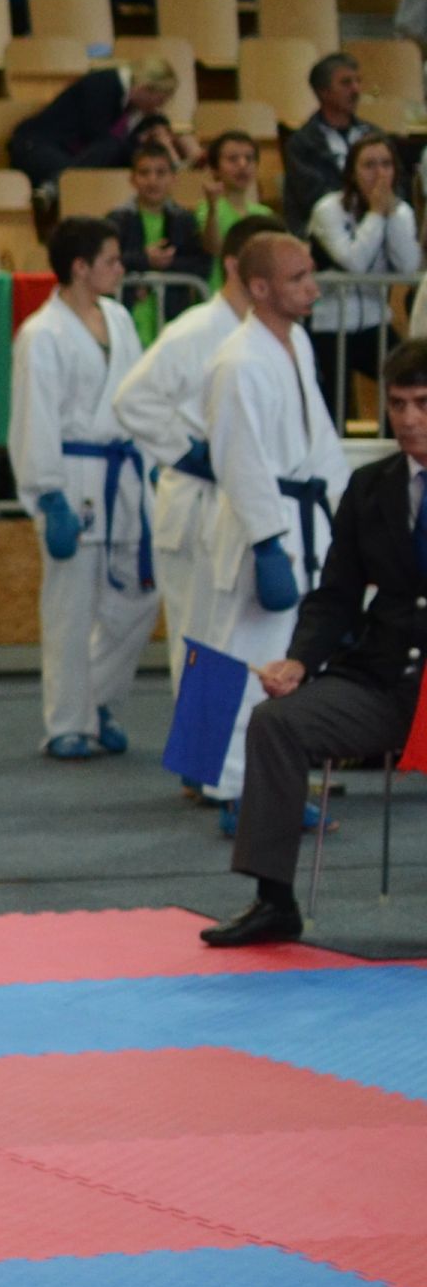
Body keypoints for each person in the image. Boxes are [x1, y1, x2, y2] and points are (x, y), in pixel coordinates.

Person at [201, 338, 427, 947]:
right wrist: (300, 659)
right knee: (276, 723)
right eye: (398, 404)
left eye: (423, 404)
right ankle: (273, 900)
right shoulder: (370, 488)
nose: (408, 418)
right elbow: (336, 596)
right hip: (383, 681)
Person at [199, 231, 340, 822]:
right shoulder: (236, 361)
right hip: (262, 528)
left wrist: (342, 510)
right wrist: (266, 543)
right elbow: (238, 459)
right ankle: (234, 790)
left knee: (288, 661)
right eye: (297, 278)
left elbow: (320, 438)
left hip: (301, 515)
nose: (312, 288)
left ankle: (273, 786)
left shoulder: (296, 342)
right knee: (245, 658)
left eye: (311, 274)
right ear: (258, 287)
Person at [15, 219, 159, 760]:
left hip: (123, 472)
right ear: (80, 267)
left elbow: (139, 396)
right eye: (111, 260)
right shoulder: (41, 334)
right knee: (70, 609)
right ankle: (67, 722)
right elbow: (34, 417)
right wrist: (47, 494)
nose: (120, 269)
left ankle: (97, 700)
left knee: (141, 595)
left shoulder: (118, 318)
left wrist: (155, 461)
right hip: (70, 476)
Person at [115, 232, 258, 709]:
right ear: (236, 267)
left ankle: (233, 749)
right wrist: (186, 451)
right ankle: (198, 752)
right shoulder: (195, 330)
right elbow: (132, 400)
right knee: (198, 641)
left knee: (236, 640)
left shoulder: (264, 334)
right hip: (195, 501)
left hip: (236, 501)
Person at [305, 134, 422, 408]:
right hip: (330, 323)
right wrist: (376, 215)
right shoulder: (328, 209)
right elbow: (354, 262)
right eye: (369, 165)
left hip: (375, 319)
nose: (379, 173)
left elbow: (408, 267)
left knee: (408, 379)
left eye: (386, 164)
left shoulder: (401, 212)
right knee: (336, 406)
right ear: (352, 172)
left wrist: (392, 217)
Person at [9, 55, 182, 192]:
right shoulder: (102, 85)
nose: (157, 108)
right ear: (144, 88)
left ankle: (55, 187)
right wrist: (137, 142)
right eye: (158, 101)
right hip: (35, 146)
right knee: (103, 157)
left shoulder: (134, 107)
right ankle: (55, 187)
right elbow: (98, 138)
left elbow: (155, 123)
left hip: (70, 156)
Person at [282, 53, 384, 229]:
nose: (356, 89)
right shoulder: (302, 144)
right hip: (326, 230)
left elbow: (397, 184)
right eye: (346, 83)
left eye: (358, 81)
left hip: (377, 223)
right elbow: (314, 198)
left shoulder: (374, 135)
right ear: (323, 92)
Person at [112, 136, 211, 296]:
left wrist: (165, 264)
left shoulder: (184, 220)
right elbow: (106, 261)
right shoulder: (118, 219)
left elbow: (201, 264)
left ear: (173, 178)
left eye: (161, 173)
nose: (152, 180)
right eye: (144, 173)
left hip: (173, 307)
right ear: (132, 179)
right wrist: (145, 259)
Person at [195, 130, 277, 289]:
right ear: (215, 169)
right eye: (233, 159)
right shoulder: (206, 208)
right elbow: (213, 248)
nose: (242, 165)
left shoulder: (264, 213)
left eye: (249, 158)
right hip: (220, 292)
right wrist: (212, 208)